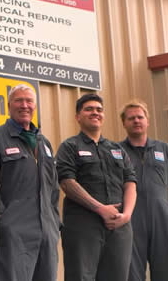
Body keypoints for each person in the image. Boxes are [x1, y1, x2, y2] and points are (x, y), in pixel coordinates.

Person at [56, 93, 137, 281]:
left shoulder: (117, 150)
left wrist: (127, 215)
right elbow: (67, 182)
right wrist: (100, 209)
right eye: (89, 109)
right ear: (78, 117)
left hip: (119, 227)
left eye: (99, 110)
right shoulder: (69, 146)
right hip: (83, 226)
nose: (95, 113)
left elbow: (130, 183)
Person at [0, 84, 61, 281]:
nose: (24, 105)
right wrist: (3, 222)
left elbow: (53, 188)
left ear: (35, 106)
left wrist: (54, 223)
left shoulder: (43, 143)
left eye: (29, 101)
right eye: (18, 101)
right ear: (8, 105)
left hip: (46, 232)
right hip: (13, 232)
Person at [119, 100, 168, 281]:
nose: (136, 121)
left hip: (162, 218)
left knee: (167, 274)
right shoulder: (116, 151)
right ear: (124, 122)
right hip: (130, 219)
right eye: (131, 118)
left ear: (147, 121)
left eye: (140, 117)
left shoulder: (165, 150)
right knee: (131, 274)